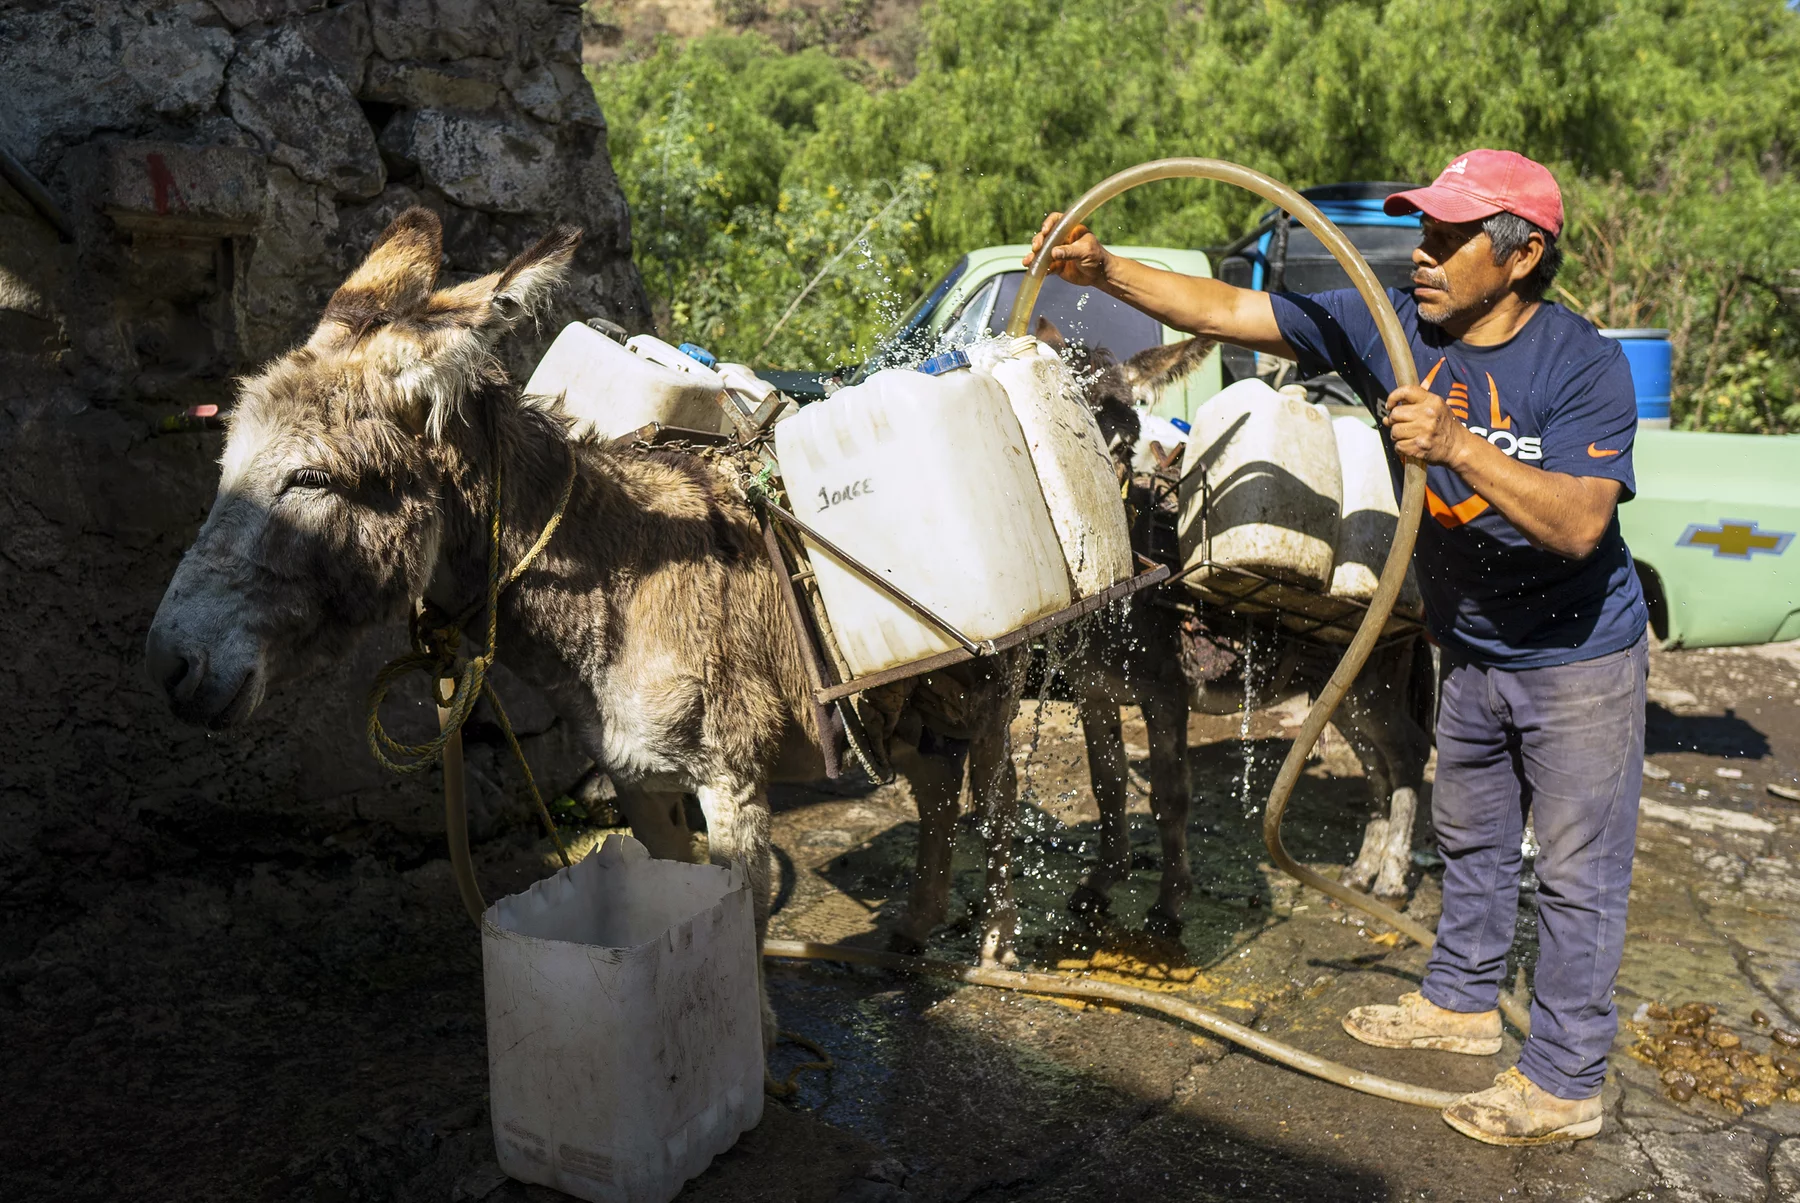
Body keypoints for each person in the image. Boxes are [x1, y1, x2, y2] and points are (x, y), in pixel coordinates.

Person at [1027, 149, 1648, 1146]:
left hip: (1575, 659)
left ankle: (1567, 1083)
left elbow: (1578, 524)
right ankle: (1456, 1006)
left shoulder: (1581, 363)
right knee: (1476, 845)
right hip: (1473, 645)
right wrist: (1104, 274)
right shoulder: (1391, 324)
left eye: (1449, 238)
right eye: (1423, 231)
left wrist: (1455, 447)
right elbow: (1227, 312)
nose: (1422, 254)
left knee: (1575, 874)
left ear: (1523, 254)